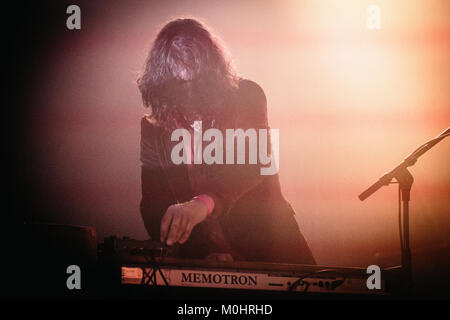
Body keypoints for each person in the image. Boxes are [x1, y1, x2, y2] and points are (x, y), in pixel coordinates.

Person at [137, 18, 315, 264]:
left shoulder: (247, 96)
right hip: (202, 259)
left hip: (270, 246)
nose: (188, 95)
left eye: (196, 83)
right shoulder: (153, 126)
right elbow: (153, 203)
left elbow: (252, 166)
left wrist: (204, 203)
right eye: (178, 85)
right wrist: (198, 249)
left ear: (213, 75)